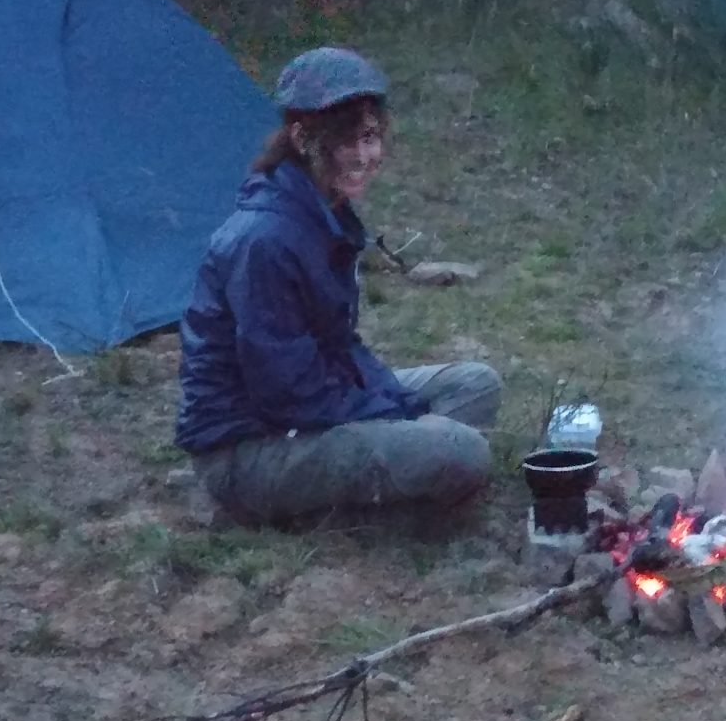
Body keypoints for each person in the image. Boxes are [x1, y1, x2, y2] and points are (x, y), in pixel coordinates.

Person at [174, 46, 502, 525]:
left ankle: (390, 479)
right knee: (461, 451)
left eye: (371, 138)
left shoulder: (323, 215)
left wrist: (394, 404)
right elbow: (287, 390)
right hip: (249, 447)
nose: (367, 156)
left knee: (475, 383)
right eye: (348, 140)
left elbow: (338, 347)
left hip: (302, 407)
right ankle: (341, 509)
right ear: (303, 138)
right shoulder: (265, 240)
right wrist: (394, 416)